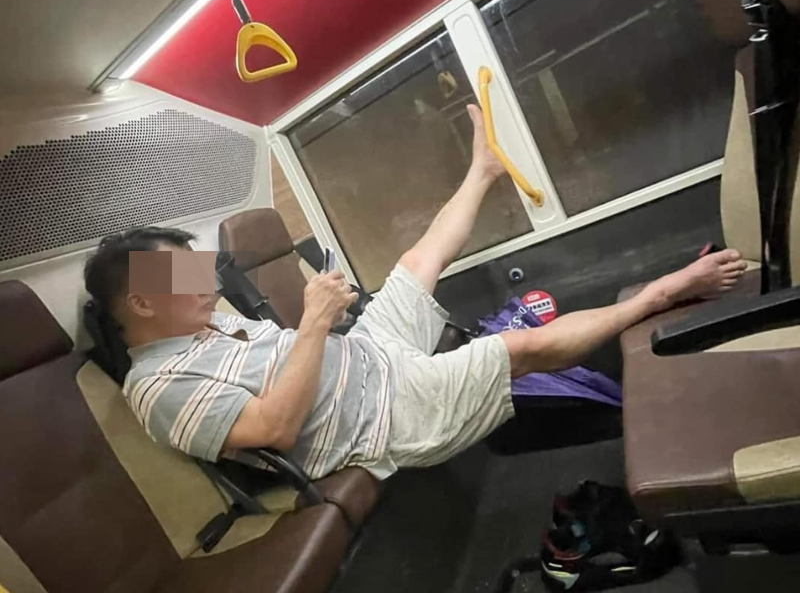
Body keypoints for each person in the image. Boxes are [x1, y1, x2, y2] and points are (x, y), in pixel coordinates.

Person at [83, 105, 748, 480]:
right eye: (182, 273)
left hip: (368, 356)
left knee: (417, 260)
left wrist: (328, 322)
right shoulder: (157, 388)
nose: (204, 280)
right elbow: (276, 429)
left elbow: (295, 361)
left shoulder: (208, 327)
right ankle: (661, 295)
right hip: (383, 417)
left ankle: (483, 169)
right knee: (515, 350)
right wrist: (314, 323)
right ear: (140, 302)